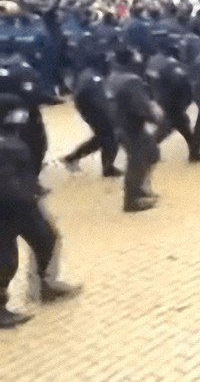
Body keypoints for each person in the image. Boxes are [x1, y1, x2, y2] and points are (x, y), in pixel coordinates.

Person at [0, 94, 81, 329]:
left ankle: (45, 285)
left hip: (25, 205)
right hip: (6, 210)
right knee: (5, 261)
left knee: (46, 238)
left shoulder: (14, 140)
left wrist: (33, 191)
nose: (21, 117)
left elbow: (21, 174)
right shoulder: (7, 144)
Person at [107, 49, 162, 213]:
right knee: (136, 161)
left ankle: (142, 188)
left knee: (152, 153)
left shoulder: (113, 77)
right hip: (131, 127)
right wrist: (154, 116)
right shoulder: (131, 81)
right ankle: (132, 200)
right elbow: (140, 105)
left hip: (119, 124)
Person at [61, 65, 122, 177]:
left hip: (89, 108)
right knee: (110, 138)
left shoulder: (89, 74)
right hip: (94, 110)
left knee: (102, 137)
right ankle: (108, 169)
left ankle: (72, 157)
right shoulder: (93, 79)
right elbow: (100, 101)